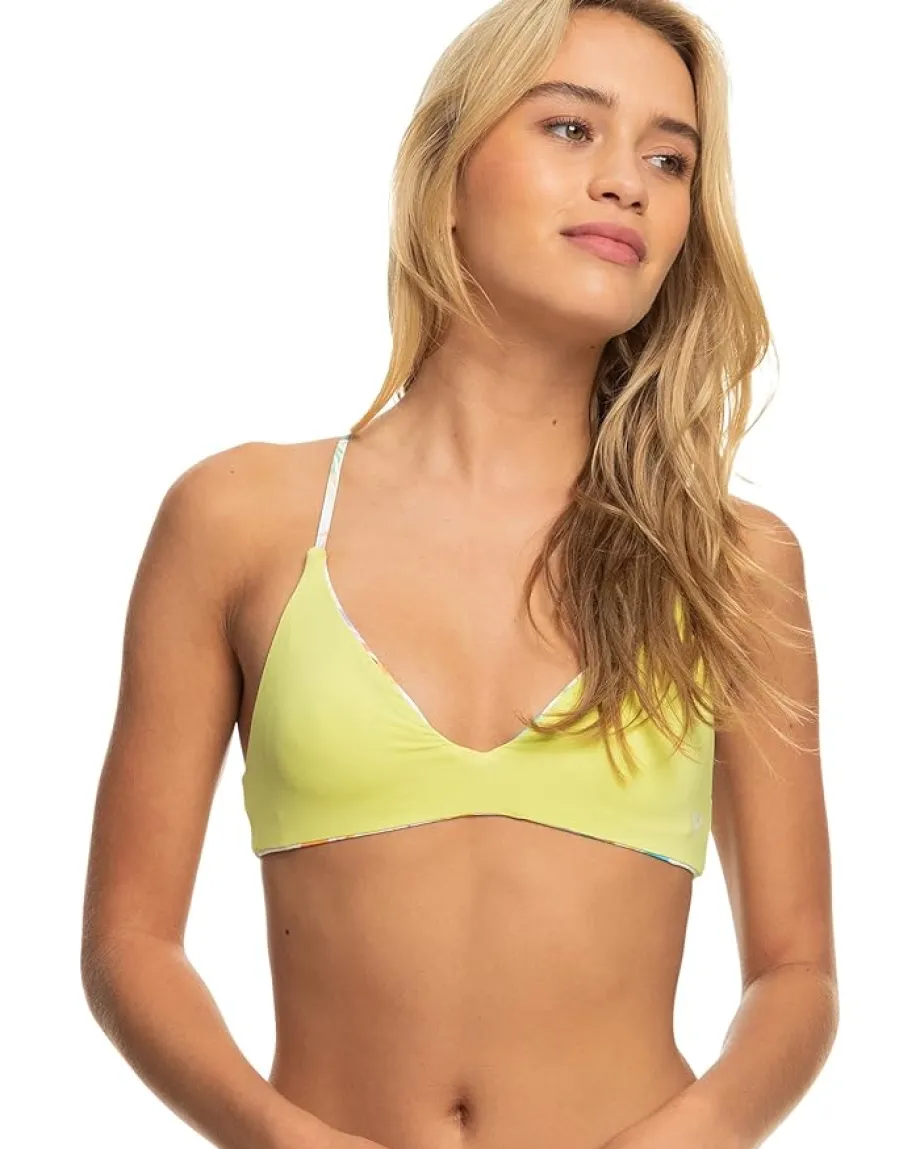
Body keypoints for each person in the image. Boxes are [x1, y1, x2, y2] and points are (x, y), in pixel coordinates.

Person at [80, 2, 838, 1148]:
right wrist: (279, 1139)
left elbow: (794, 971)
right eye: (571, 129)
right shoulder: (240, 521)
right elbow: (130, 941)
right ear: (443, 177)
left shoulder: (729, 561)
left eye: (668, 159)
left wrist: (692, 1137)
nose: (626, 183)